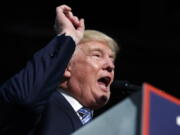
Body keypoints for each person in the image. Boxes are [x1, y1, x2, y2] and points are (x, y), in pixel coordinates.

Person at [0, 4, 119, 135]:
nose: (110, 66)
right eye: (97, 55)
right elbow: (24, 100)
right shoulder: (45, 107)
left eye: (112, 60)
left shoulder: (107, 128)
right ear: (66, 66)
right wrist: (68, 36)